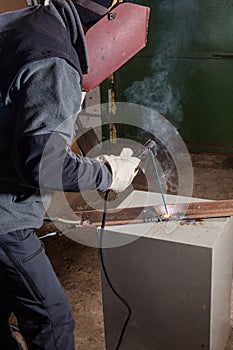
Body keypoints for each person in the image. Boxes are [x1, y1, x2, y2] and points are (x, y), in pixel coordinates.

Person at [0, 0, 140, 349]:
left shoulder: (18, 23)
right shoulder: (54, 59)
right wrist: (107, 173)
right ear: (108, 17)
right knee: (51, 318)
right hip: (4, 218)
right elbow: (42, 165)